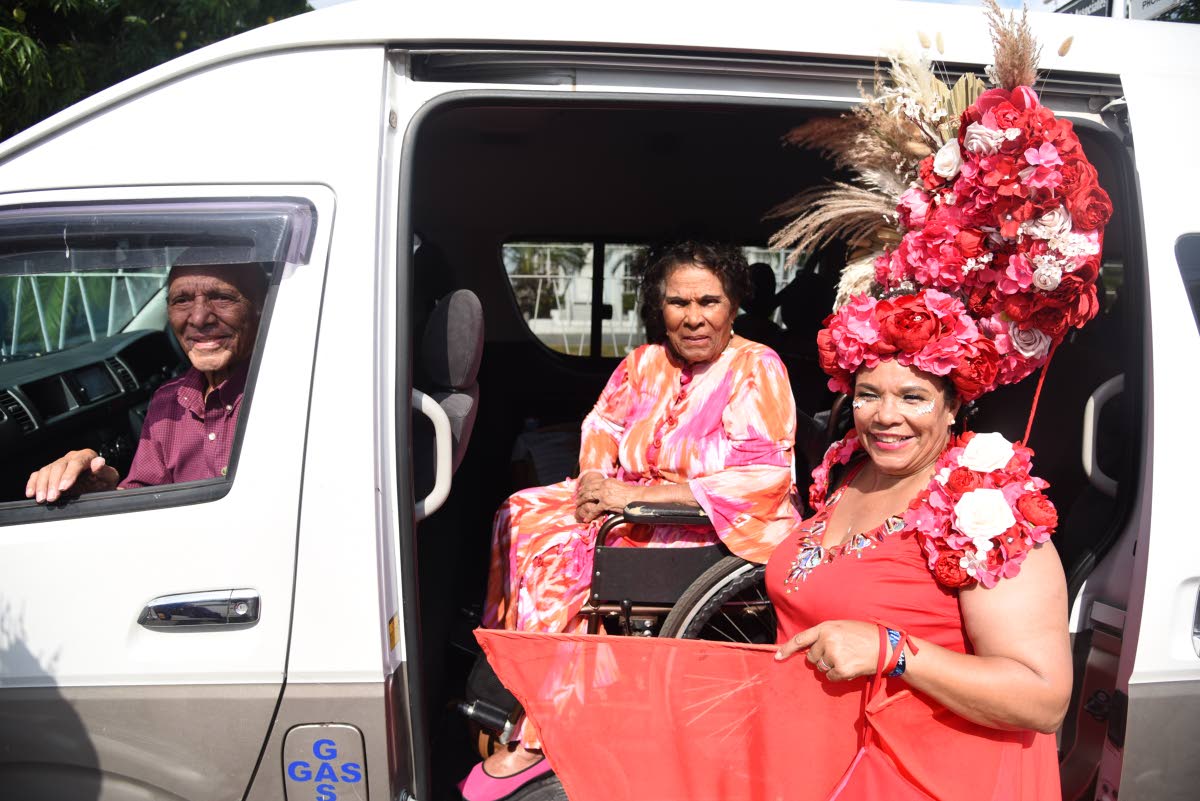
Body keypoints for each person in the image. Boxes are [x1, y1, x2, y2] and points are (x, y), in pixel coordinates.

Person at [462, 241, 802, 801]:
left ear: (734, 303)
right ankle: (515, 673)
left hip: (708, 521)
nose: (694, 317)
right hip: (631, 499)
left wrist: (637, 498)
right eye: (678, 302)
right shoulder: (644, 362)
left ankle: (542, 727)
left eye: (709, 301)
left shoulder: (757, 368)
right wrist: (596, 479)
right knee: (519, 510)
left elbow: (763, 477)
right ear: (659, 307)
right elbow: (603, 421)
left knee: (556, 557)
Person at [25, 257, 267, 502]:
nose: (199, 318)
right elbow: (147, 495)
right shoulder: (168, 400)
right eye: (182, 300)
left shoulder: (290, 388)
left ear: (262, 307)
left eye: (221, 298)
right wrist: (101, 491)